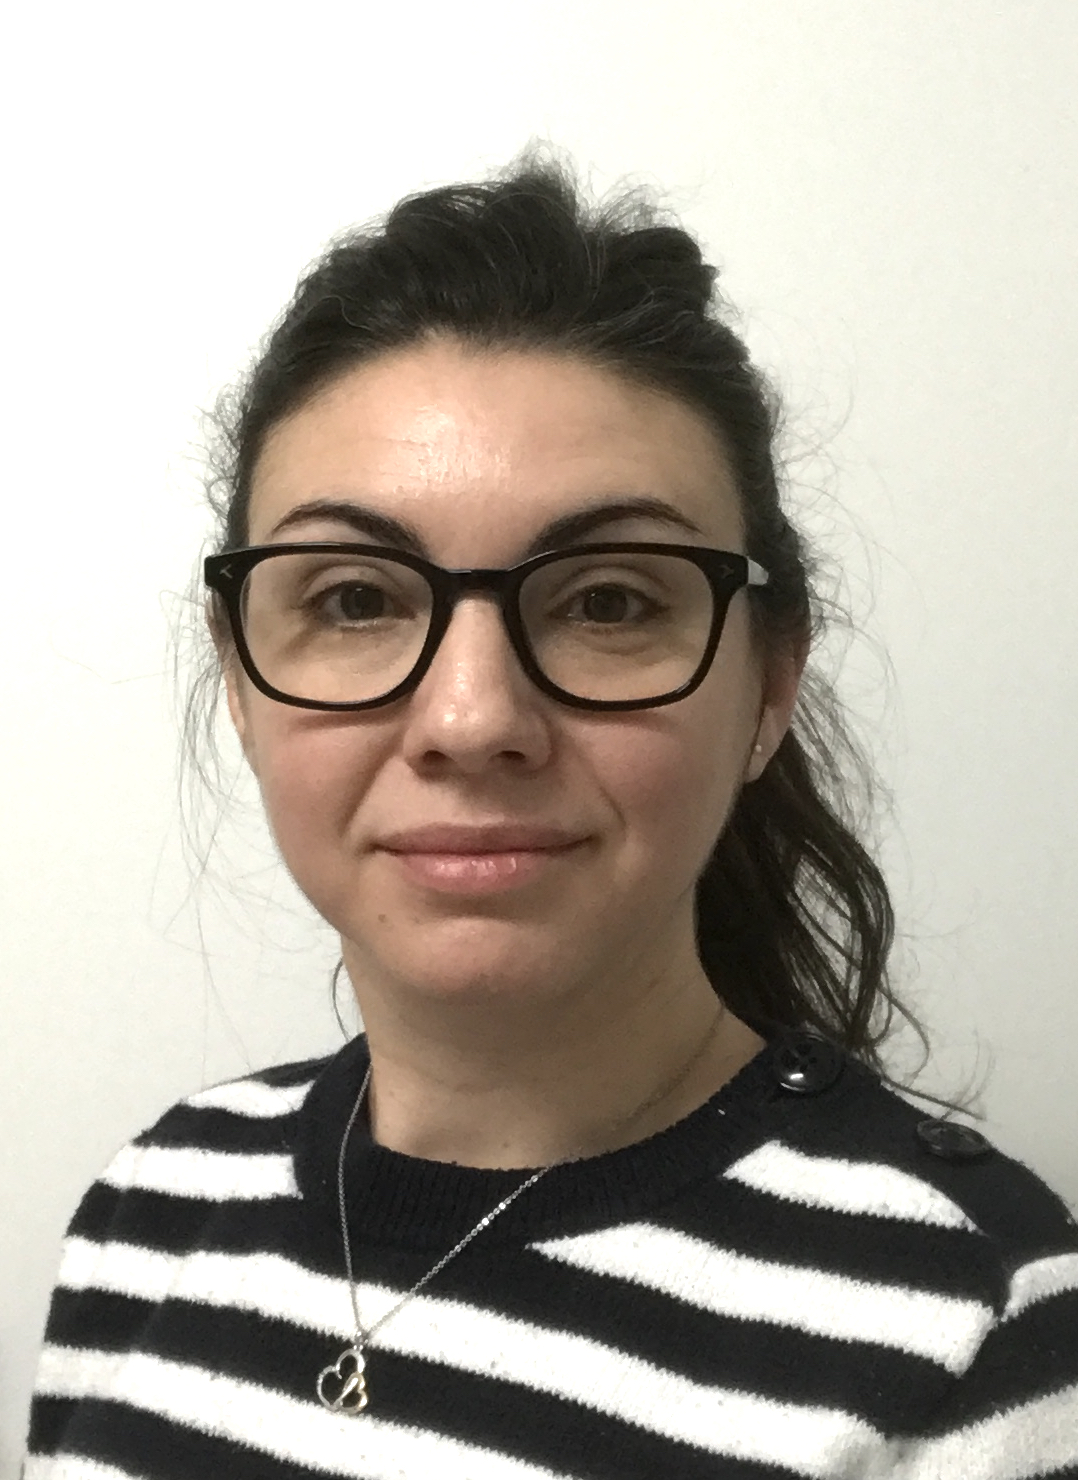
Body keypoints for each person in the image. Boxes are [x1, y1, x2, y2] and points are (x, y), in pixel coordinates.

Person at [25, 155, 1078, 1480]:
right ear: (240, 677)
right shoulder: (158, 1203)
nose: (470, 720)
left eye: (607, 602)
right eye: (355, 599)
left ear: (766, 685)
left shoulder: (975, 1329)